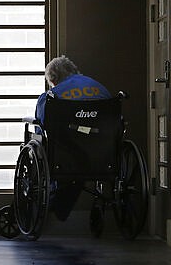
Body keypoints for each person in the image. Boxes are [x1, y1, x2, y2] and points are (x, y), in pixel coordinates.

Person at [34, 56, 111, 221]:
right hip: (102, 152)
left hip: (66, 155)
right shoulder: (102, 90)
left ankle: (52, 207)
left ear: (54, 79)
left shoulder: (52, 95)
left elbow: (42, 125)